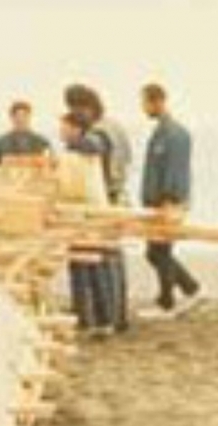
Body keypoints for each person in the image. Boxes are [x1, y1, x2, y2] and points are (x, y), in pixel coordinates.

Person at [140, 82, 202, 316]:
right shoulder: (162, 131)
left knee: (159, 252)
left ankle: (170, 300)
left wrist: (169, 199)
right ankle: (185, 290)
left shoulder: (174, 134)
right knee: (156, 252)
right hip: (160, 201)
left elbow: (175, 170)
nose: (144, 108)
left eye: (145, 102)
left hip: (168, 202)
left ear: (156, 102)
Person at [59, 112, 116, 334]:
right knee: (93, 266)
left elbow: (71, 187)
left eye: (64, 127)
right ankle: (100, 319)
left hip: (84, 213)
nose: (61, 131)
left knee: (86, 266)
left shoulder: (77, 152)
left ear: (75, 129)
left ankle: (91, 319)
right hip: (93, 210)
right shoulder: (90, 148)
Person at [64, 83, 132, 204]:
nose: (76, 116)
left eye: (77, 111)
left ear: (88, 108)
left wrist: (72, 139)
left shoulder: (100, 130)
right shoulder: (114, 125)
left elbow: (94, 146)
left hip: (109, 196)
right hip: (120, 192)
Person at [0, 100, 52, 165]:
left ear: (30, 117)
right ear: (11, 117)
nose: (21, 119)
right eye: (17, 116)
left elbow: (51, 163)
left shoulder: (42, 142)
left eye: (24, 116)